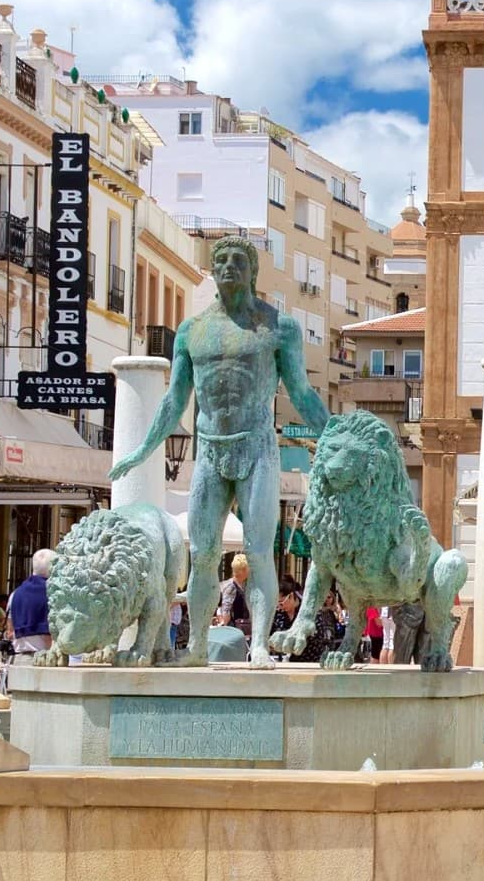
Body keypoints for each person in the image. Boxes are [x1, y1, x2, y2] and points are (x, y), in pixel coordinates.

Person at [109, 234, 330, 668]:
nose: (228, 266)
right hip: (210, 450)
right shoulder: (193, 331)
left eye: (237, 260)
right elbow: (175, 400)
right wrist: (142, 451)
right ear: (212, 270)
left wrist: (335, 435)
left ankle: (261, 646)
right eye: (221, 260)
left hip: (257, 448)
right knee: (204, 552)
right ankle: (195, 647)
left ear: (252, 271)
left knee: (260, 548)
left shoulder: (278, 327)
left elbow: (301, 392)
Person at [6, 549, 55, 658]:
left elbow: (10, 629)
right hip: (45, 657)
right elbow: (52, 632)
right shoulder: (54, 593)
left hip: (18, 657)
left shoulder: (15, 594)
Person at [218, 553, 251, 637]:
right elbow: (226, 609)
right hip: (233, 631)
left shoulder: (242, 585)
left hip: (240, 629)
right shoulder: (231, 586)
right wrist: (223, 625)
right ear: (242, 570)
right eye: (248, 568)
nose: (250, 570)